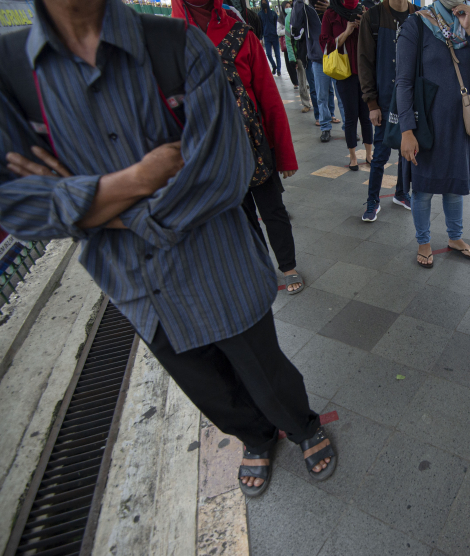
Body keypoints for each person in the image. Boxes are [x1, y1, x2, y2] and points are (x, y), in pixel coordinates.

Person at [0, 0, 335, 498]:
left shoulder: (175, 46)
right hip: (140, 288)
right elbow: (17, 208)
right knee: (211, 391)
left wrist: (82, 201)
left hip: (220, 267)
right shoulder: (12, 72)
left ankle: (302, 425)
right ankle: (255, 436)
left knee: (268, 372)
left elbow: (224, 173)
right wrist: (141, 177)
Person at [175, 0, 307, 295]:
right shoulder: (169, 38)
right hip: (211, 151)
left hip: (255, 143)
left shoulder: (240, 32)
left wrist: (285, 155)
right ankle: (259, 269)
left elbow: (269, 98)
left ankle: (288, 266)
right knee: (242, 216)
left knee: (273, 209)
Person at [398, 0, 470, 267]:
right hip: (427, 125)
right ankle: (424, 241)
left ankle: (455, 238)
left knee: (455, 186)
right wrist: (407, 130)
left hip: (461, 123)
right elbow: (404, 81)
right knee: (422, 190)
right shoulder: (418, 24)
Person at [357, 0, 416, 220]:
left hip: (409, 100)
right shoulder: (371, 17)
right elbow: (365, 62)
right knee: (380, 154)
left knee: (406, 151)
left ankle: (401, 193)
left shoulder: (417, 16)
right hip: (383, 100)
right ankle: (373, 200)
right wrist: (371, 103)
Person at [321, 0, 374, 170]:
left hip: (365, 72)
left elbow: (374, 40)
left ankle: (369, 154)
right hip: (344, 73)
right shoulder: (330, 14)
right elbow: (325, 43)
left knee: (366, 116)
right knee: (350, 116)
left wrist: (365, 25)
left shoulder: (364, 11)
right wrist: (347, 32)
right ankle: (352, 156)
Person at [292, 0, 343, 139]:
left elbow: (346, 20)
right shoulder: (306, 7)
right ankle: (325, 127)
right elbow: (295, 26)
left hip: (337, 56)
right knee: (321, 96)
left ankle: (348, 127)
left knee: (341, 96)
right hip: (317, 58)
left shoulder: (335, 4)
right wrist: (299, 3)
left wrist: (331, 8)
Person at [279, 1, 300, 86]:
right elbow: (279, 32)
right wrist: (288, 30)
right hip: (288, 46)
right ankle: (295, 82)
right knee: (290, 65)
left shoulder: (297, 15)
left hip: (298, 47)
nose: (288, 8)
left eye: (289, 6)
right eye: (286, 7)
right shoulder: (282, 18)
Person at [259, 0, 282, 75]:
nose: (264, 4)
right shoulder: (260, 14)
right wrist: (260, 38)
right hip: (266, 37)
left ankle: (278, 69)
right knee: (268, 54)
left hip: (275, 36)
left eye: (265, 3)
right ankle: (274, 66)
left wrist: (278, 35)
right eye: (262, 3)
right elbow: (260, 27)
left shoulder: (273, 13)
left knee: (277, 54)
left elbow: (277, 24)